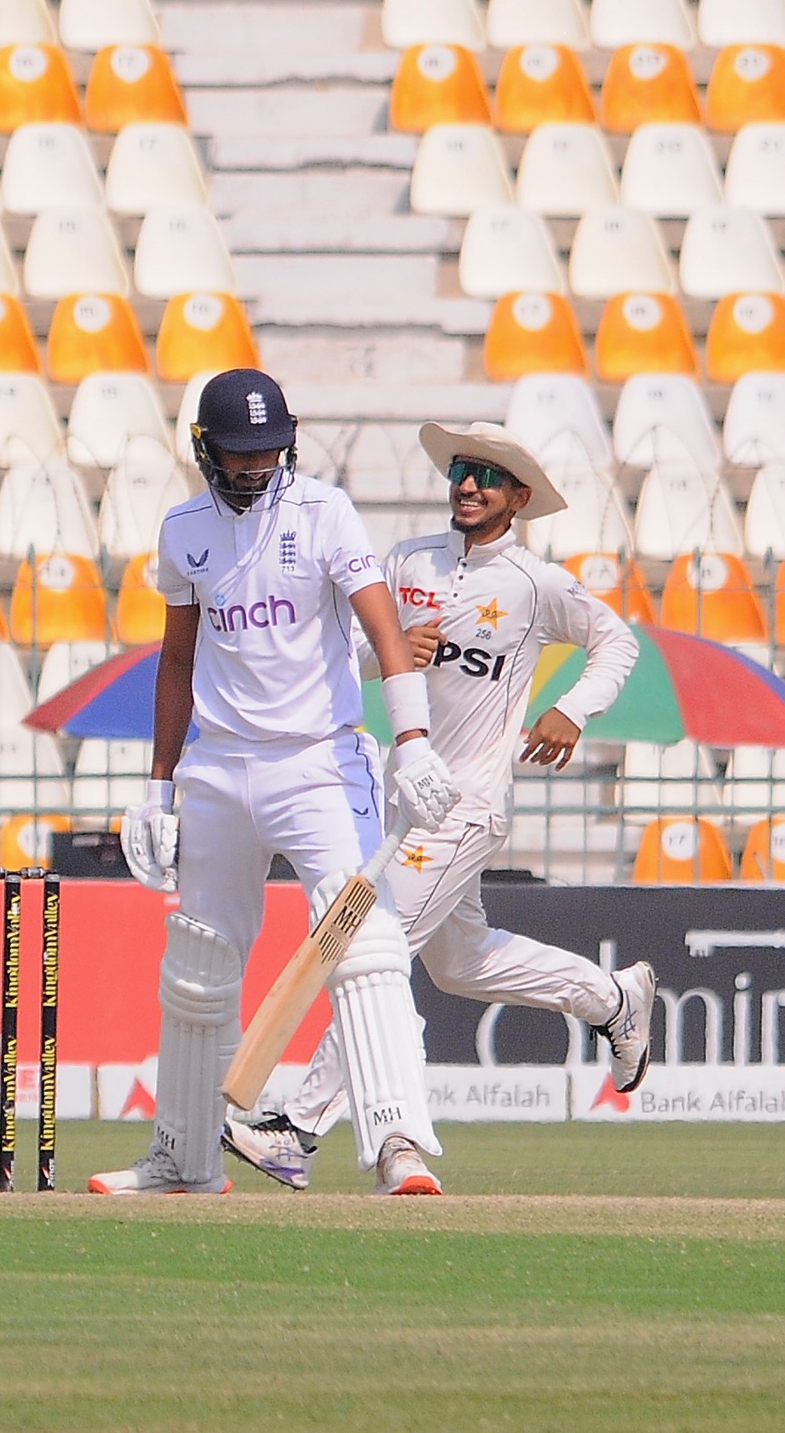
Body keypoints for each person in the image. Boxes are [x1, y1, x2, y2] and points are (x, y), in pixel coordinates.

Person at [224, 422, 652, 1189]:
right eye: (461, 469)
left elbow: (617, 643)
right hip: (399, 796)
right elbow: (345, 653)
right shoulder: (409, 559)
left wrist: (574, 708)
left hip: (467, 803)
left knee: (368, 950)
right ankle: (612, 997)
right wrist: (392, 648)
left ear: (518, 499)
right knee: (458, 964)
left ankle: (298, 1129)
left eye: (487, 476)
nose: (468, 484)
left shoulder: (534, 582)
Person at [97, 368, 464, 1199]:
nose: (259, 469)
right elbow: (179, 660)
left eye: (270, 453)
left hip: (320, 763)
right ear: (206, 453)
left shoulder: (325, 511)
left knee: (363, 946)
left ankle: (399, 1145)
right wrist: (158, 788)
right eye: (241, 456)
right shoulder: (185, 528)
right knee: (199, 961)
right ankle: (184, 1158)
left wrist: (411, 740)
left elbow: (381, 627)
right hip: (221, 767)